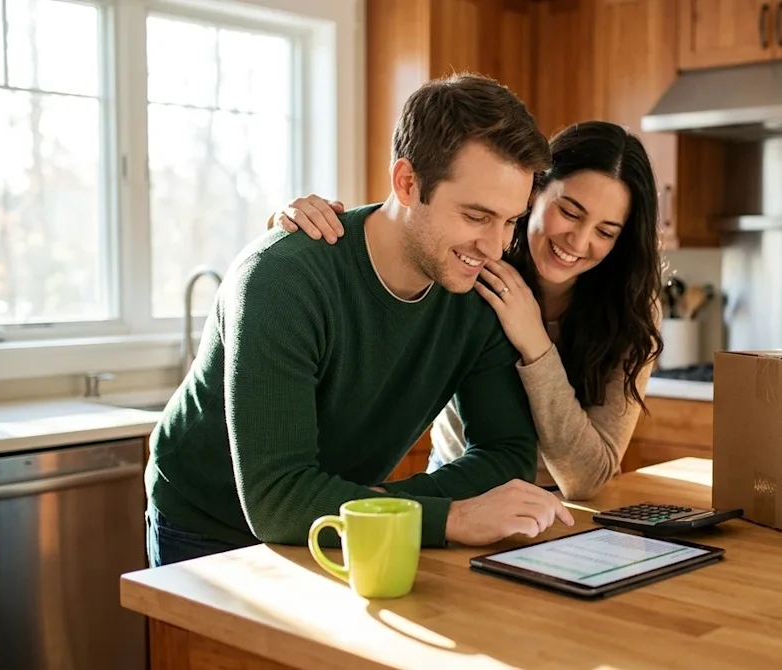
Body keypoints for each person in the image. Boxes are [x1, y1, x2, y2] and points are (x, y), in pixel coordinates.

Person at [144, 73, 575, 568]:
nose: (496, 246)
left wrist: (379, 506)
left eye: (511, 221)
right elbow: (279, 501)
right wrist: (447, 516)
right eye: (477, 216)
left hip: (342, 522)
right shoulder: (281, 282)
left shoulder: (480, 286)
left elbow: (507, 454)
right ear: (408, 183)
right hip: (210, 527)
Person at [271, 120, 664, 501]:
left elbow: (587, 479)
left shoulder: (631, 312)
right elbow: (403, 234)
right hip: (461, 494)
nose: (579, 240)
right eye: (570, 212)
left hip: (565, 511)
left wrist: (536, 345)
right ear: (532, 192)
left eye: (606, 231)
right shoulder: (464, 268)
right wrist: (293, 229)